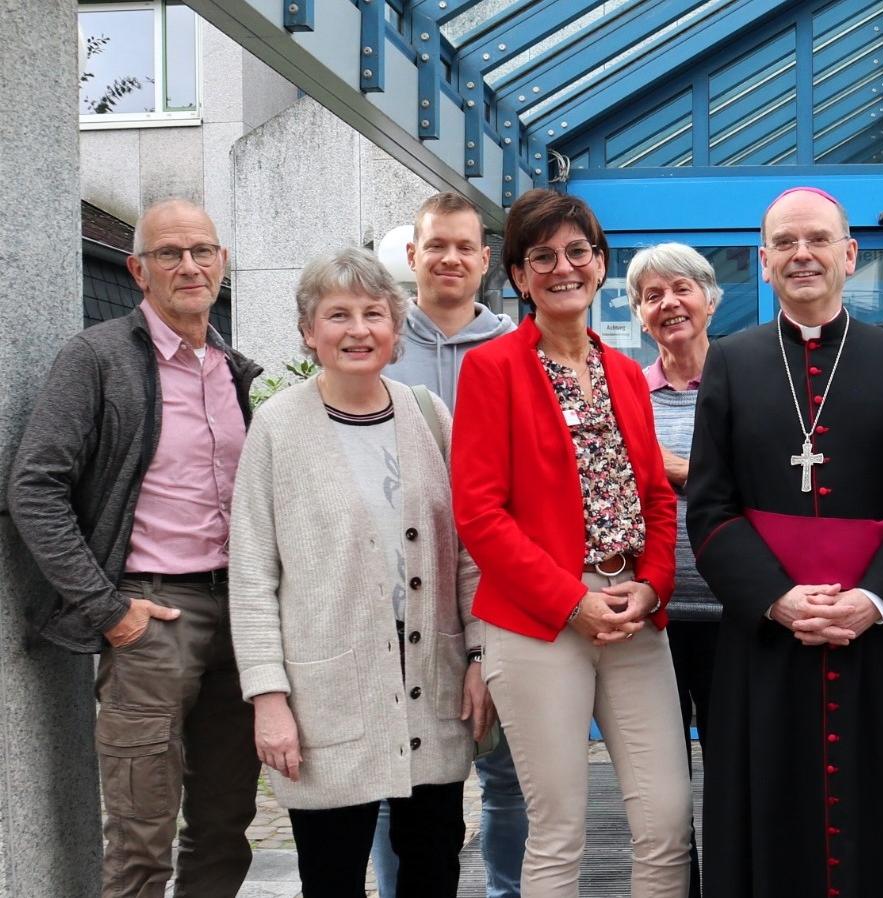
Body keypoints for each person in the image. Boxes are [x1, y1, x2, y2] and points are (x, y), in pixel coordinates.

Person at [687, 186, 883, 898]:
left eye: (817, 240)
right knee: (768, 805)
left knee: (875, 811)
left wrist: (871, 600)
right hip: (770, 635)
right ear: (764, 261)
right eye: (784, 243)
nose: (801, 254)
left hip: (871, 635)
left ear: (849, 254)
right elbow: (710, 507)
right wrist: (776, 600)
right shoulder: (732, 361)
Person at [8, 198, 262, 898]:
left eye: (201, 251)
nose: (189, 266)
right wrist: (109, 609)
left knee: (224, 826)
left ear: (221, 263)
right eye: (170, 254)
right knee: (141, 837)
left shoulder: (240, 371)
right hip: (151, 616)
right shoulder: (96, 359)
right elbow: (33, 487)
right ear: (137, 269)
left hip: (240, 620)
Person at [452, 189, 691, 898]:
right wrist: (572, 602)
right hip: (538, 622)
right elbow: (480, 515)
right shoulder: (491, 370)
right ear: (520, 277)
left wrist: (651, 586)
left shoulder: (624, 372)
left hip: (635, 613)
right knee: (558, 833)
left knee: (668, 822)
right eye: (543, 257)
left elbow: (656, 496)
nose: (564, 268)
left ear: (599, 263)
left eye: (578, 252)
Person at [229, 248, 485, 896]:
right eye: (337, 314)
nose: (358, 329)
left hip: (432, 682)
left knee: (432, 867)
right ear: (309, 331)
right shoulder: (278, 427)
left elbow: (469, 552)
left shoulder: (428, 415)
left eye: (374, 313)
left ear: (396, 330)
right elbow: (253, 572)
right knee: (332, 874)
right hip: (328, 695)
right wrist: (269, 699)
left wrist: (481, 657)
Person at [369, 190, 523, 898]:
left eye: (465, 246)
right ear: (413, 255)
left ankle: (507, 890)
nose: (451, 257)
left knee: (508, 769)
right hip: (405, 589)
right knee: (397, 773)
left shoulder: (520, 349)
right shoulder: (381, 347)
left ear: (486, 259)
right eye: (437, 245)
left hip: (505, 583)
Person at [627, 242, 724, 898]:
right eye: (652, 295)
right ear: (637, 313)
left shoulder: (747, 379)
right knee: (663, 787)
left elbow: (771, 479)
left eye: (682, 289)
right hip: (654, 618)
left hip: (737, 615)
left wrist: (682, 469)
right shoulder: (627, 390)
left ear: (709, 299)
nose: (670, 304)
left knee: (733, 777)